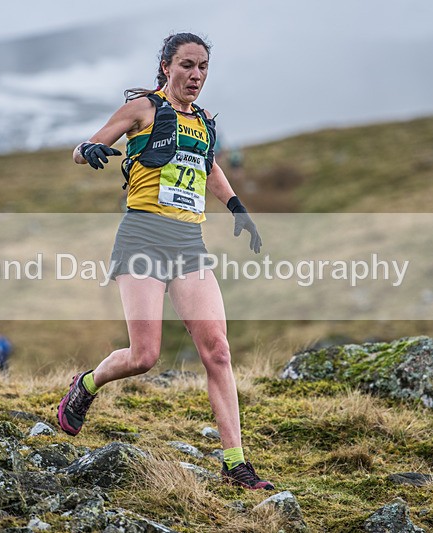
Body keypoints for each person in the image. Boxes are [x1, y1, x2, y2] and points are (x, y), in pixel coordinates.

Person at [57, 33, 273, 490]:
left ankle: (235, 462)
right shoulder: (143, 110)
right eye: (187, 65)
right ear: (166, 67)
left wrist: (237, 209)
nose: (196, 75)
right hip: (142, 237)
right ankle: (88, 385)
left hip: (188, 243)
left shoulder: (206, 122)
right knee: (145, 355)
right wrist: (89, 150)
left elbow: (208, 166)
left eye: (203, 68)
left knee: (217, 349)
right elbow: (83, 147)